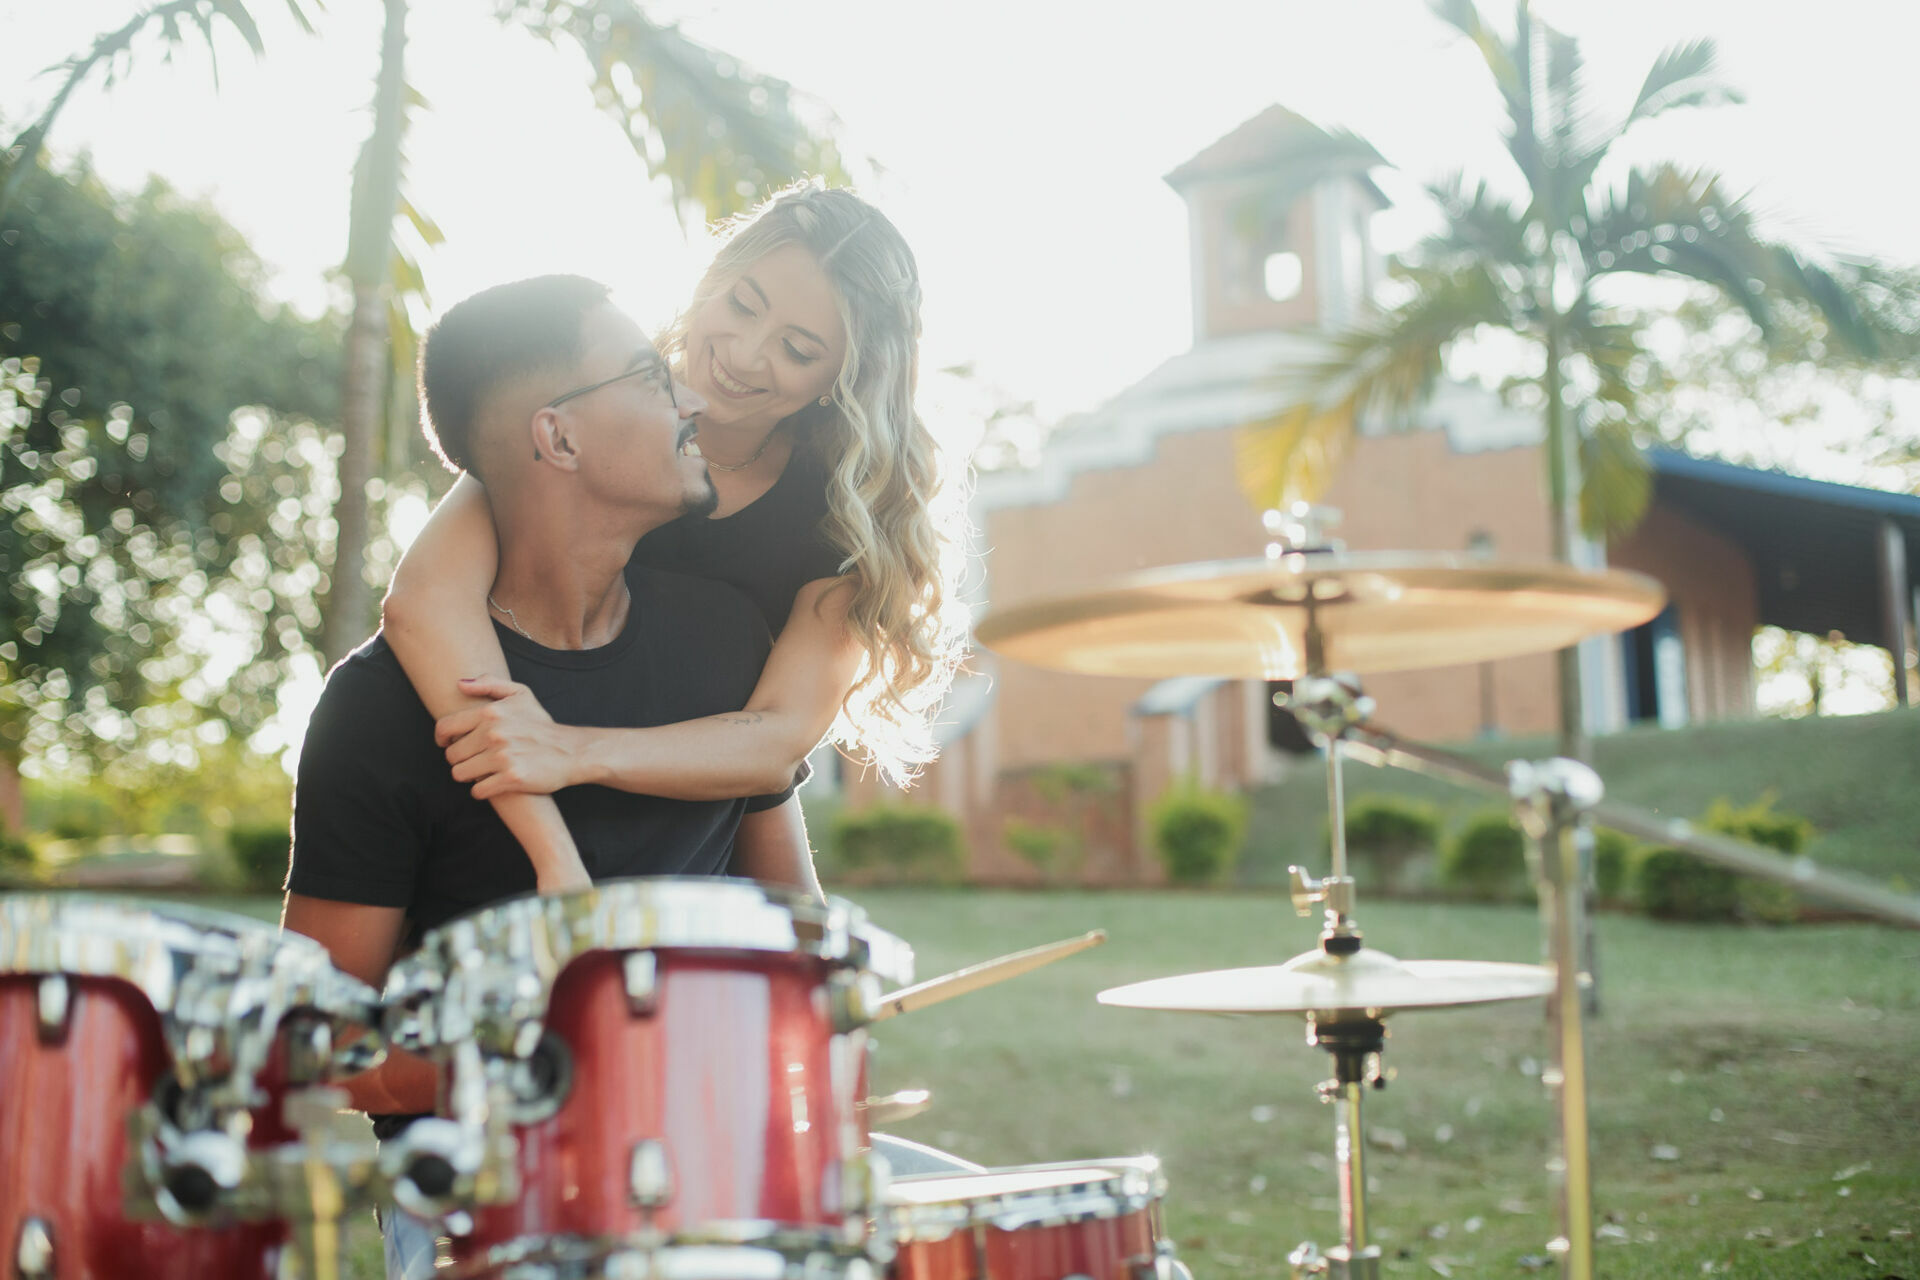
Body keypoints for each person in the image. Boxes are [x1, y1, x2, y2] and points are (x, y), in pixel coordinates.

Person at [281, 274, 810, 1278]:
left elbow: (797, 916)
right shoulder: (379, 711)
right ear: (558, 438)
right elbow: (311, 1042)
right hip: (489, 1205)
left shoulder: (726, 639)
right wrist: (545, 1052)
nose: (693, 399)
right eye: (655, 378)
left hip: (713, 1177)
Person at [380, 185, 966, 891]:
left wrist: (572, 752)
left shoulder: (846, 511)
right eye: (743, 305)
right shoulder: (596, 394)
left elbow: (776, 741)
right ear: (711, 278)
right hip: (504, 803)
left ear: (843, 376)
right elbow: (423, 601)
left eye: (798, 349)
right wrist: (549, 840)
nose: (745, 356)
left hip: (702, 832)